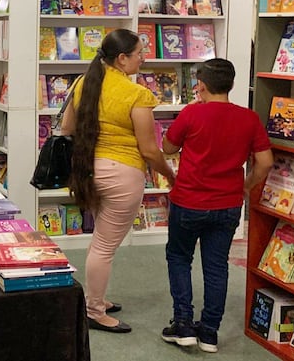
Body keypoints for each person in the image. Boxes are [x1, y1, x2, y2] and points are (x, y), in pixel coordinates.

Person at [61, 28, 175, 334]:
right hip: (122, 174)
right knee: (104, 246)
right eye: (139, 53)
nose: (144, 59)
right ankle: (94, 311)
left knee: (100, 240)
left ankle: (95, 298)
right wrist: (170, 174)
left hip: (89, 170)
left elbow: (67, 126)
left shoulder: (85, 82)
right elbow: (150, 150)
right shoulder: (136, 94)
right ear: (122, 59)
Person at [160, 58, 273, 352]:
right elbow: (265, 162)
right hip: (228, 205)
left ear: (201, 85)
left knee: (179, 257)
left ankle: (183, 323)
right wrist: (246, 186)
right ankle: (209, 332)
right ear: (232, 85)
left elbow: (168, 148)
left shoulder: (191, 113)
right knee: (216, 266)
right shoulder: (249, 118)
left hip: (188, 200)